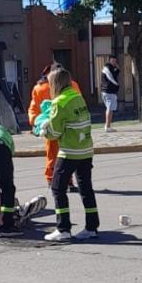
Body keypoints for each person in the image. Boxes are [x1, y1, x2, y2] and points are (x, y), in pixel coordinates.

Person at [41, 68, 99, 241]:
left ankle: (63, 228)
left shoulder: (59, 102)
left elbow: (55, 132)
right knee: (86, 189)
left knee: (57, 188)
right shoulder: (77, 97)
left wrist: (44, 129)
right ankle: (92, 227)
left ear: (55, 83)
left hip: (69, 152)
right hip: (86, 150)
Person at [28, 63, 82, 189]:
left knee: (53, 154)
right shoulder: (73, 85)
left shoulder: (39, 88)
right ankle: (67, 181)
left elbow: (34, 109)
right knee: (68, 155)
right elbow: (79, 103)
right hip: (70, 126)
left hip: (50, 126)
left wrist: (37, 123)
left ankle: (52, 179)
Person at [101, 55, 120, 132]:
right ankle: (107, 126)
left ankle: (108, 125)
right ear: (109, 61)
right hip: (108, 91)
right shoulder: (108, 68)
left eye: (115, 61)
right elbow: (112, 78)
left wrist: (117, 69)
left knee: (110, 108)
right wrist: (117, 69)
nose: (114, 63)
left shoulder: (110, 68)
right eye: (113, 61)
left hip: (107, 91)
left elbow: (115, 75)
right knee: (109, 108)